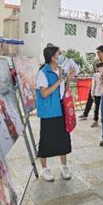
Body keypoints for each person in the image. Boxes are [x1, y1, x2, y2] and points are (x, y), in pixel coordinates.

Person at [35, 45, 76, 182]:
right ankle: (44, 169)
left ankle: (64, 166)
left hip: (60, 108)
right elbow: (44, 93)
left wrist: (67, 78)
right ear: (52, 56)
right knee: (46, 140)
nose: (61, 56)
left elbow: (63, 90)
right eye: (59, 54)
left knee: (63, 138)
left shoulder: (60, 70)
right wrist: (59, 81)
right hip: (49, 110)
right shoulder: (43, 72)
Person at [79, 45, 103, 121]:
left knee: (99, 103)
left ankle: (98, 118)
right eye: (97, 52)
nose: (97, 54)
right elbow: (94, 72)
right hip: (96, 83)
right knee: (90, 97)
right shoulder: (96, 61)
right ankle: (85, 114)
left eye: (99, 52)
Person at [87, 62, 103, 128]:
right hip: (101, 93)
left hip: (98, 94)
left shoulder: (96, 75)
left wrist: (92, 94)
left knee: (96, 108)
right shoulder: (99, 74)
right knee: (99, 108)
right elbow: (93, 85)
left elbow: (93, 85)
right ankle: (98, 120)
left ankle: (96, 120)